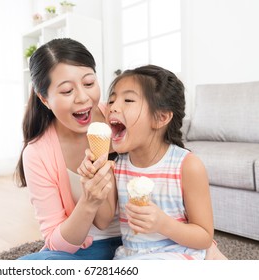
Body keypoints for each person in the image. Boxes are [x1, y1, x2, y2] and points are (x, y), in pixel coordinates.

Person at [79, 65, 222, 260]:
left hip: (177, 255)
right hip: (131, 257)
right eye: (112, 100)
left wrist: (164, 224)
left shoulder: (187, 166)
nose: (112, 106)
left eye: (128, 100)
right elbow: (103, 221)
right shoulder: (117, 166)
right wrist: (94, 180)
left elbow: (205, 237)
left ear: (160, 117)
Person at [15, 38, 122, 260]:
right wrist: (89, 201)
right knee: (28, 265)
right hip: (87, 249)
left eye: (89, 83)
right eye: (66, 91)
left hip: (143, 240)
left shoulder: (119, 115)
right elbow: (56, 243)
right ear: (44, 98)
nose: (83, 98)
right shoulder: (37, 153)